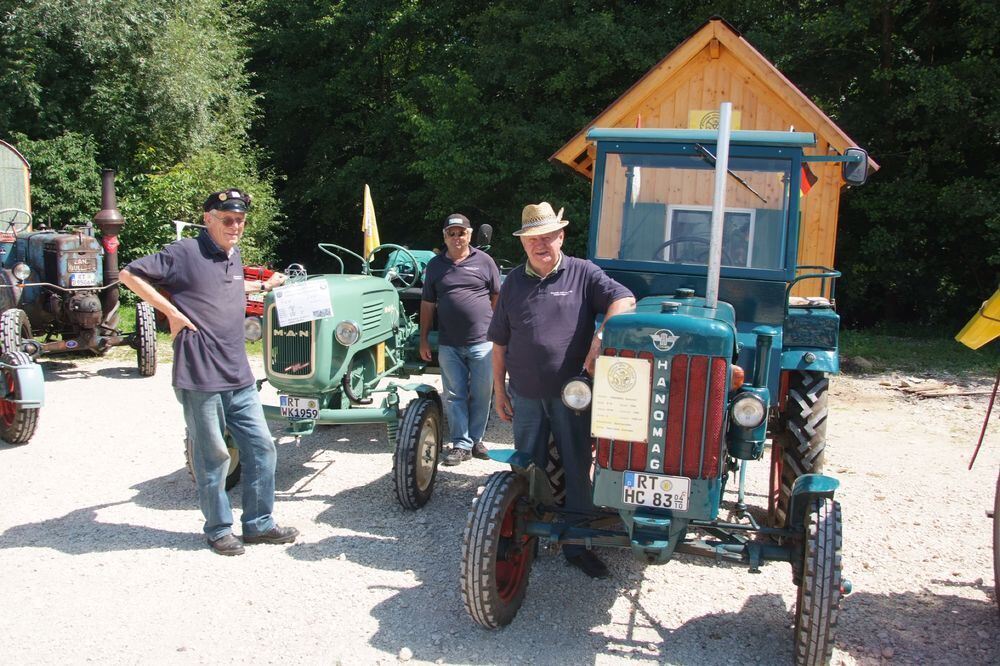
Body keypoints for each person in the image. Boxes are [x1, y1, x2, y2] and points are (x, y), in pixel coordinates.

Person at [119, 189, 298, 556]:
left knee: (262, 448)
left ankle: (258, 524)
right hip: (200, 376)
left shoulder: (233, 256)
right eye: (227, 219)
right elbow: (129, 274)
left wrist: (264, 285)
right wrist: (172, 312)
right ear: (208, 218)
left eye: (240, 221)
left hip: (239, 374)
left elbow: (222, 291)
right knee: (212, 456)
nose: (235, 226)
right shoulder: (183, 252)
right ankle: (218, 530)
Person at [487, 202, 635, 579]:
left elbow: (625, 299)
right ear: (523, 244)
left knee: (575, 466)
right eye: (532, 238)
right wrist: (499, 392)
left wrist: (602, 336)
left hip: (574, 396)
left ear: (561, 236)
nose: (541, 244)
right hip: (525, 395)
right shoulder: (512, 284)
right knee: (526, 468)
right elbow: (499, 342)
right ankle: (524, 540)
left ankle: (577, 545)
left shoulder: (583, 273)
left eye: (548, 236)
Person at [419, 213, 501, 466]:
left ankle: (476, 439)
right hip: (449, 343)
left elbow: (497, 298)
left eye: (461, 233)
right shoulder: (435, 266)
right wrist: (423, 339)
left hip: (482, 342)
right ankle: (461, 444)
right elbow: (427, 304)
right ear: (445, 236)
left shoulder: (485, 261)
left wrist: (499, 336)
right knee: (455, 394)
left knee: (482, 392)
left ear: (470, 234)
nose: (457, 238)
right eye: (451, 233)